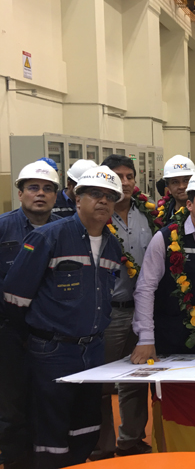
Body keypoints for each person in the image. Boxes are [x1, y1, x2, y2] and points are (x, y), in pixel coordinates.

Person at [3, 165, 123, 468]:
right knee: (50, 432)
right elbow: (15, 298)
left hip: (92, 351)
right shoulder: (47, 237)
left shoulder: (112, 244)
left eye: (110, 196)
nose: (103, 201)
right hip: (52, 351)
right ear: (77, 198)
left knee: (86, 426)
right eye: (95, 194)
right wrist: (37, 336)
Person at [131, 167, 195, 361]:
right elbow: (145, 288)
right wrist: (145, 338)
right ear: (189, 204)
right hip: (168, 337)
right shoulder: (164, 239)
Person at [91, 156, 154, 460]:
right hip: (110, 311)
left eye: (130, 176)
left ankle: (131, 440)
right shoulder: (97, 216)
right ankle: (101, 445)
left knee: (136, 379)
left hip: (143, 310)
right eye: (119, 176)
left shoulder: (147, 215)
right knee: (103, 382)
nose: (126, 182)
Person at [0, 161, 61, 469]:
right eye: (33, 188)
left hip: (53, 334)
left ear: (56, 196)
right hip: (10, 332)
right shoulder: (3, 228)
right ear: (20, 192)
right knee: (11, 404)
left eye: (48, 189)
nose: (40, 194)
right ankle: (15, 461)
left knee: (49, 400)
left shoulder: (66, 229)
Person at [159, 155, 195, 223]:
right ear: (168, 187)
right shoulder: (160, 217)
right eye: (175, 182)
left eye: (186, 180)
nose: (181, 186)